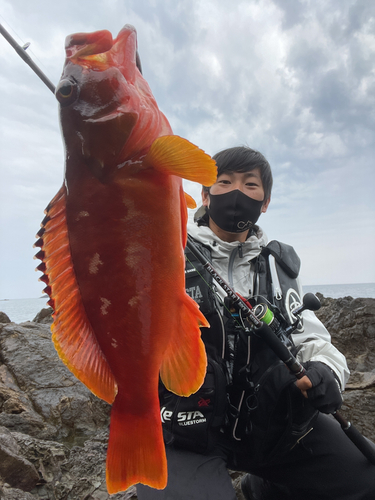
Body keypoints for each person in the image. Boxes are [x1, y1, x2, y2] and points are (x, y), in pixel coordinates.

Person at [137, 147, 375, 500]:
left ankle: (264, 488)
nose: (237, 192)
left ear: (265, 202)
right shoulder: (162, 251)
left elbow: (310, 335)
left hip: (276, 430)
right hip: (187, 431)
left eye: (250, 185)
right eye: (224, 181)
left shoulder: (279, 267)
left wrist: (326, 370)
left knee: (367, 481)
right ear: (205, 195)